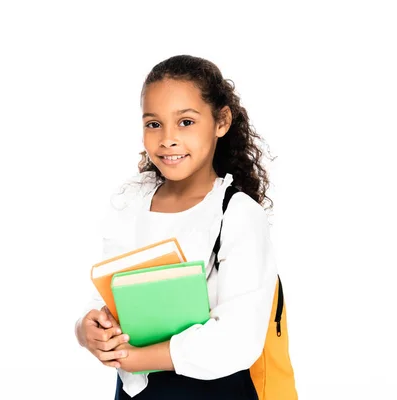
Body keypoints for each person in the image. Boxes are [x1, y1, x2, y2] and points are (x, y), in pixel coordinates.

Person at [74, 54, 278, 400]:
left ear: (221, 121)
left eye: (185, 122)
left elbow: (238, 340)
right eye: (154, 124)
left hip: (214, 393)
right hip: (135, 391)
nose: (167, 139)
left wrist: (135, 357)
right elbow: (106, 294)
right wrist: (87, 329)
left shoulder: (237, 213)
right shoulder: (132, 200)